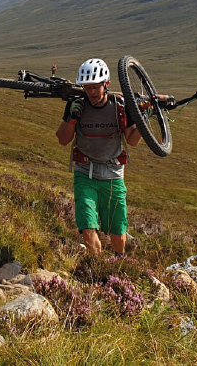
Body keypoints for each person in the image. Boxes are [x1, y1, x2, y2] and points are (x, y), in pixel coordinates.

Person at [56, 58, 143, 256]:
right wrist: (71, 119)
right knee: (87, 225)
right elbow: (62, 139)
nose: (92, 92)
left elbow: (132, 140)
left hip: (113, 173)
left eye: (96, 87)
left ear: (107, 84)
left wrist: (142, 122)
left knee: (117, 230)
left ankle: (119, 264)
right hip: (84, 172)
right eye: (87, 88)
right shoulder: (76, 104)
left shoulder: (120, 105)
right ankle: (97, 269)